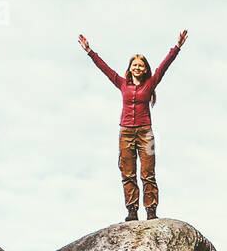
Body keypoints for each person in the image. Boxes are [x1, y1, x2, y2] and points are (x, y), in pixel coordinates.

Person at [78, 30, 187, 220]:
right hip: (126, 132)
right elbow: (105, 69)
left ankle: (151, 211)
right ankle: (132, 211)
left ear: (145, 69)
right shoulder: (122, 83)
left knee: (148, 173)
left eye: (141, 65)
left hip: (146, 133)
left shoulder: (150, 83)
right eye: (134, 65)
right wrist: (89, 51)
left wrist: (176, 47)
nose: (137, 68)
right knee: (127, 173)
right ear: (130, 68)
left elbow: (164, 66)